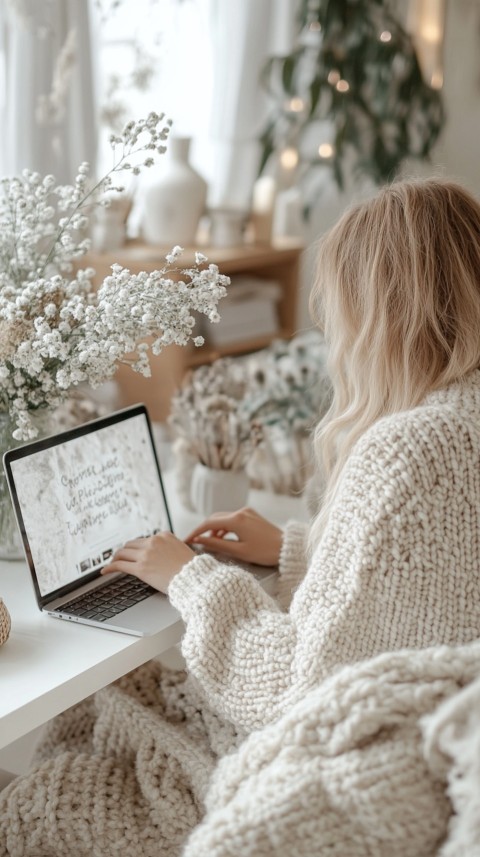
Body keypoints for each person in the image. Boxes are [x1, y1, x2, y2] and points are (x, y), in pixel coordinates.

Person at [2, 177, 480, 857]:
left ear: (385, 315)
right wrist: (297, 547)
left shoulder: (408, 448)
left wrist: (193, 578)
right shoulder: (463, 417)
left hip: (326, 773)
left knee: (51, 784)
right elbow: (425, 589)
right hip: (423, 747)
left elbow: (298, 691)